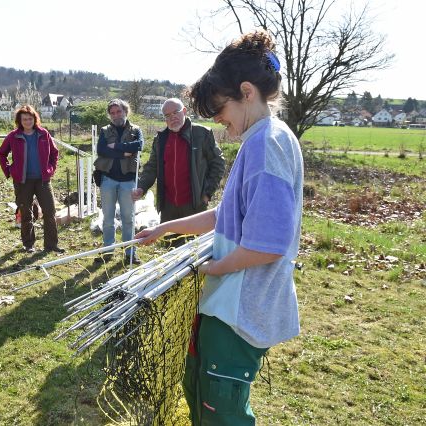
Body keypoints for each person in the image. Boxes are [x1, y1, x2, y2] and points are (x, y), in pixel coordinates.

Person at [136, 30, 303, 425]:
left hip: (242, 308)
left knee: (221, 413)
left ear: (247, 92)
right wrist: (165, 229)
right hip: (227, 303)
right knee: (199, 391)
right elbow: (224, 217)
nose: (218, 121)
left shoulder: (268, 144)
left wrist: (208, 269)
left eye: (220, 109)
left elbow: (267, 245)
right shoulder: (260, 140)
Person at [132, 98, 225, 225]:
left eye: (176, 112)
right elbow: (152, 167)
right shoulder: (160, 139)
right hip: (168, 207)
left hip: (194, 205)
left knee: (193, 244)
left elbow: (218, 163)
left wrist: (207, 194)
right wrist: (141, 187)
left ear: (185, 111)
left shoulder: (202, 134)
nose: (172, 118)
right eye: (168, 115)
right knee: (171, 243)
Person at [0, 105, 64, 253]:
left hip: (43, 180)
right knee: (26, 213)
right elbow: (1, 153)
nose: (27, 121)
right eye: (24, 119)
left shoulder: (43, 134)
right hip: (23, 181)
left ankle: (51, 245)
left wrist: (51, 169)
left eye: (30, 118)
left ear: (35, 119)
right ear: (19, 121)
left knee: (49, 211)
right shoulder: (14, 136)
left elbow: (54, 153)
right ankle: (28, 245)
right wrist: (9, 170)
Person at [93, 99, 143, 264]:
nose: (115, 115)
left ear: (125, 111)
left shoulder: (136, 130)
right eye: (112, 113)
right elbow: (101, 150)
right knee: (108, 218)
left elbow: (138, 145)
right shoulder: (105, 130)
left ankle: (130, 253)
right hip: (108, 179)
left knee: (128, 218)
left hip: (128, 180)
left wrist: (115, 146)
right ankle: (108, 251)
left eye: (118, 111)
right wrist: (123, 152)